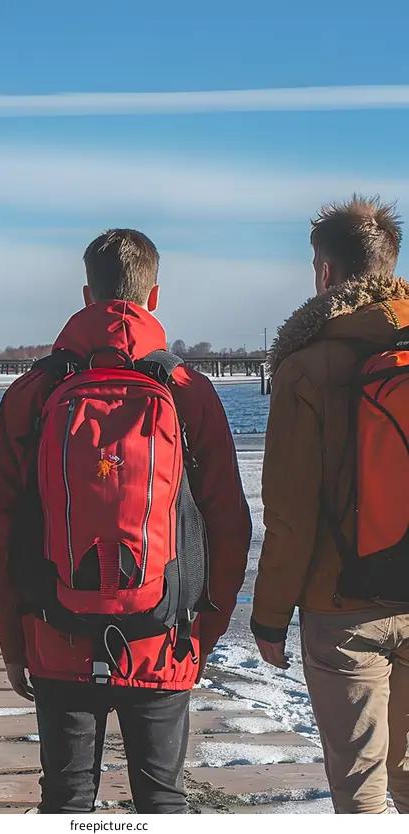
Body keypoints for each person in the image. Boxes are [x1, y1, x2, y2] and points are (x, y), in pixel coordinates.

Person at [0, 228, 251, 814]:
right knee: (162, 801)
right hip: (164, 636)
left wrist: (12, 640)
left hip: (55, 631)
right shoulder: (189, 391)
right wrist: (204, 631)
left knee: (66, 800)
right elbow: (230, 525)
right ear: (153, 296)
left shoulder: (32, 392)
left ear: (87, 295)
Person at [252, 196, 409, 814]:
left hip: (341, 603)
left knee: (359, 786)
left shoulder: (306, 367)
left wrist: (269, 618)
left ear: (324, 271)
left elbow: (290, 513)